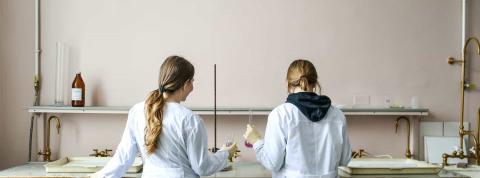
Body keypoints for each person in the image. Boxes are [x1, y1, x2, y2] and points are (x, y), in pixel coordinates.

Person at [93, 56, 237, 178]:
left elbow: (123, 158)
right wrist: (225, 154)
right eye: (192, 81)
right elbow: (202, 167)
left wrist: (98, 176)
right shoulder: (190, 120)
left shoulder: (137, 111)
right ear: (185, 84)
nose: (193, 87)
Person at [243, 59, 351, 178]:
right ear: (315, 83)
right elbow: (345, 160)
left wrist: (256, 141)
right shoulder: (337, 115)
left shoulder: (280, 115)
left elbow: (272, 163)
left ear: (288, 84)